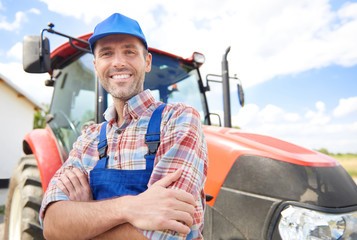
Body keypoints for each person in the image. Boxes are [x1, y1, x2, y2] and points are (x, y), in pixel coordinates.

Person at [40, 12, 208, 240]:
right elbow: (52, 226)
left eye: (129, 51)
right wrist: (128, 208)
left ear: (147, 62)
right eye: (106, 53)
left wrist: (84, 220)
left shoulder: (178, 120)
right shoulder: (87, 139)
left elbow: (168, 233)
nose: (118, 62)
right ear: (96, 65)